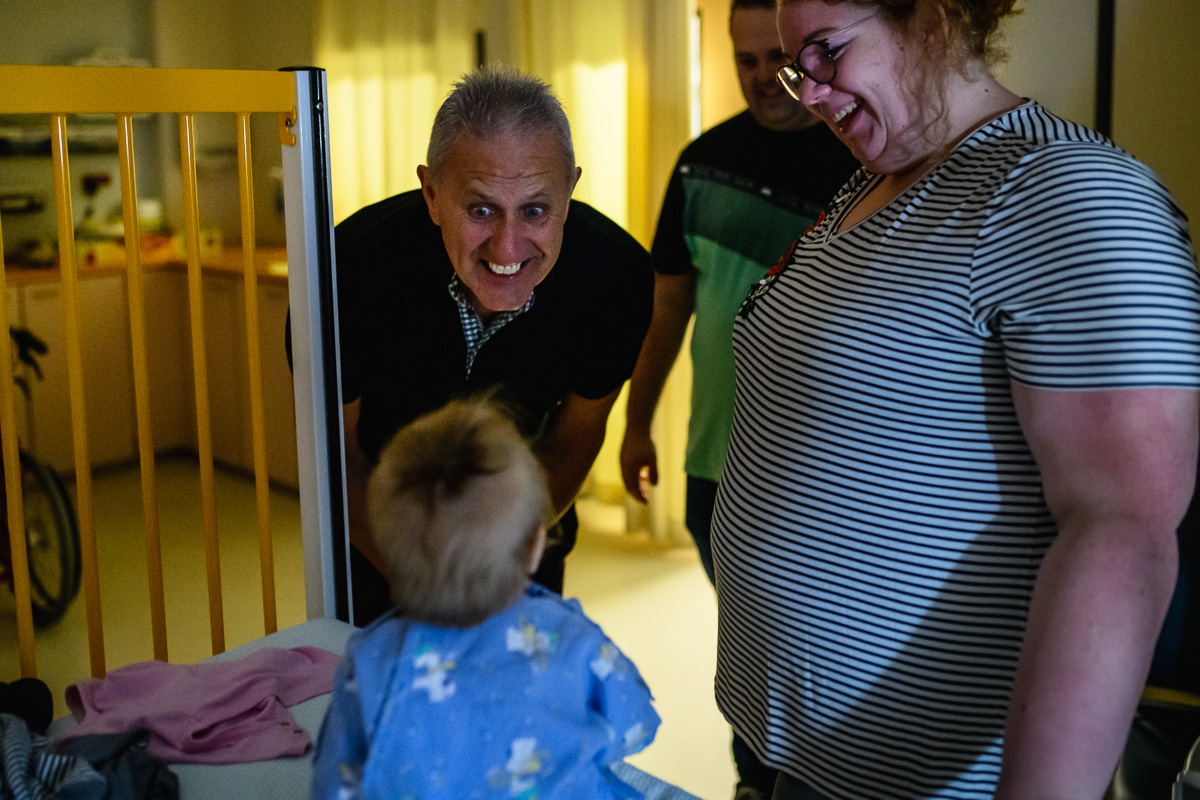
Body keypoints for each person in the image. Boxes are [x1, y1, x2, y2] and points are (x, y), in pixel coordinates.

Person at [710, 2, 1200, 799]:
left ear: (931, 16)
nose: (813, 95)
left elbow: (1121, 529)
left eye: (827, 53)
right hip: (812, 761)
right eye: (801, 67)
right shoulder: (878, 182)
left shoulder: (1067, 194)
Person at [619, 2, 858, 797]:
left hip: (818, 476)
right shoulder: (701, 163)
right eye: (745, 60)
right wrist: (638, 421)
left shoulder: (861, 169)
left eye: (777, 58)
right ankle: (757, 780)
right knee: (749, 647)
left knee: (813, 652)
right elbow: (667, 306)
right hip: (714, 464)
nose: (764, 78)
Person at [332, 69, 654, 626]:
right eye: (480, 209)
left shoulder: (615, 278)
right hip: (377, 549)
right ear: (432, 193)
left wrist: (503, 574)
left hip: (522, 555)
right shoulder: (345, 271)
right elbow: (340, 457)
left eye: (535, 209)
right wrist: (425, 586)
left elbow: (576, 435)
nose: (507, 246)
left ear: (570, 189)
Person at [310, 397, 662, 799]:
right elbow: (635, 725)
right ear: (535, 546)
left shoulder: (371, 660)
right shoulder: (572, 639)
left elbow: (333, 786)